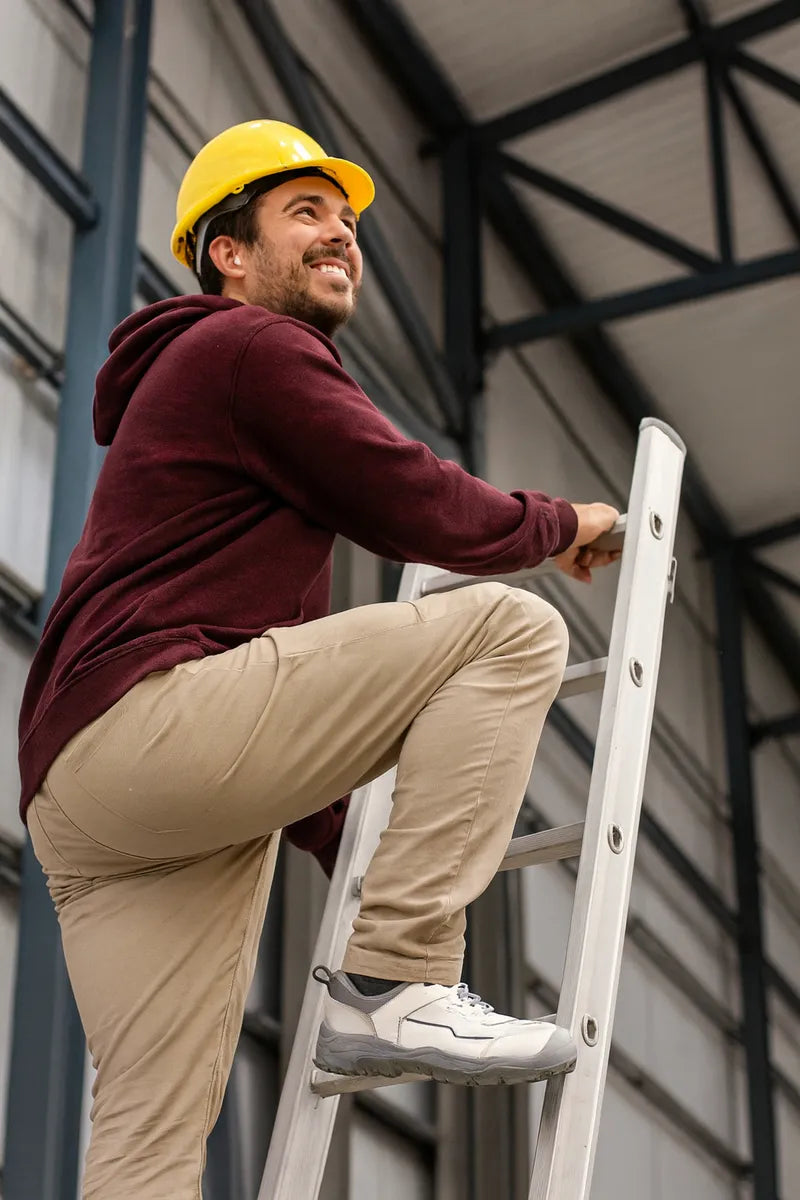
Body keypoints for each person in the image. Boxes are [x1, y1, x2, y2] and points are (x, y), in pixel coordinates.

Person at [18, 119, 620, 1198]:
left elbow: (273, 689)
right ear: (227, 253)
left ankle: (390, 972)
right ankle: (399, 979)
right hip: (150, 721)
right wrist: (559, 522)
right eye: (305, 214)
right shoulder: (244, 346)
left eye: (345, 221)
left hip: (90, 796)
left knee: (149, 1135)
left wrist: (345, 836)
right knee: (509, 626)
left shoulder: (211, 413)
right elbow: (413, 499)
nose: (339, 236)